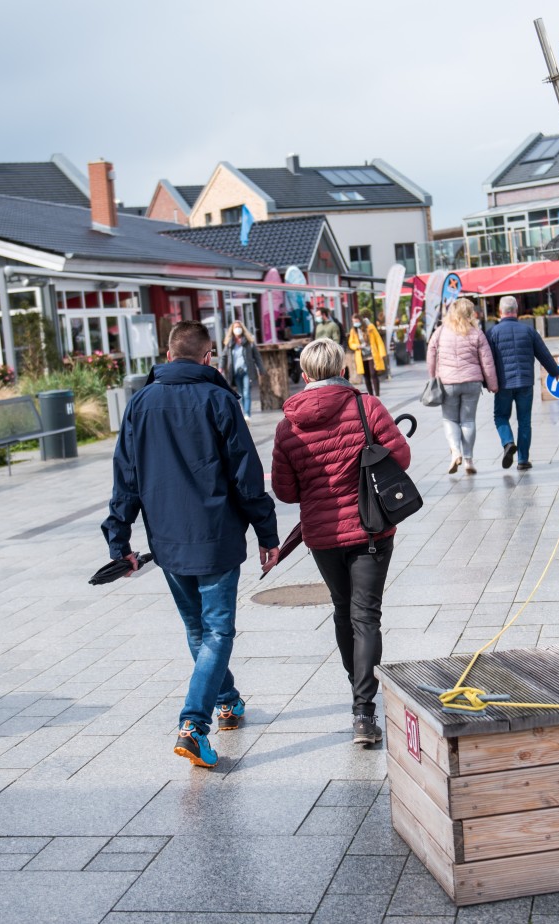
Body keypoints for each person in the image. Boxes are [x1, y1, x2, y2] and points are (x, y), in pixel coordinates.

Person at [103, 320, 279, 769]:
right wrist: (267, 533)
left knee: (199, 630)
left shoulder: (140, 402)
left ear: (167, 354)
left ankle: (228, 702)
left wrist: (118, 539)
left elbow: (126, 476)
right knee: (217, 630)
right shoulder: (219, 400)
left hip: (167, 541)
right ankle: (193, 726)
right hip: (216, 536)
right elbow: (246, 475)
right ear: (207, 358)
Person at [270, 339, 411, 746]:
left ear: (305, 375)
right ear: (343, 369)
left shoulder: (287, 425)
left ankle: (358, 688)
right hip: (370, 528)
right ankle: (363, 711)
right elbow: (400, 457)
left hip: (322, 535)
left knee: (342, 608)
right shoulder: (367, 408)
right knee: (366, 616)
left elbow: (285, 490)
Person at [486, 295, 559, 472]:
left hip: (504, 384)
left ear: (500, 312)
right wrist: (555, 372)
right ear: (516, 310)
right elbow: (543, 353)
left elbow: (487, 360)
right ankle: (523, 460)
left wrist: (487, 382)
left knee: (501, 416)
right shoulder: (528, 331)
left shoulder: (493, 333)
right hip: (525, 382)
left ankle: (508, 442)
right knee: (524, 421)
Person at [427, 298, 497, 475]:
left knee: (450, 419)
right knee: (468, 420)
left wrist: (432, 377)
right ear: (470, 313)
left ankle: (455, 451)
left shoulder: (441, 331)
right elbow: (487, 361)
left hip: (448, 382)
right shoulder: (476, 333)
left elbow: (431, 352)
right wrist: (492, 384)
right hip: (472, 382)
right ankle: (468, 460)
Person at [221, 321, 265, 418]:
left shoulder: (249, 342)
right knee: (240, 394)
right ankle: (244, 412)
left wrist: (261, 369)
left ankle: (247, 415)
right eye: (235, 327)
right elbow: (224, 356)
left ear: (242, 329)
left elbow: (257, 357)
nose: (237, 329)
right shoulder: (229, 343)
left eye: (239, 327)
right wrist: (221, 367)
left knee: (246, 392)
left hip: (247, 371)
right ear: (232, 330)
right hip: (235, 372)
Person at [348, 314, 387, 396]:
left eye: (356, 321)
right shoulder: (353, 330)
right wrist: (356, 346)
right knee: (366, 376)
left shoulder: (370, 327)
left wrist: (382, 353)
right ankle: (371, 395)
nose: (355, 323)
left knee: (373, 374)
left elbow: (378, 340)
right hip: (361, 355)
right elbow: (351, 343)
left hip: (372, 354)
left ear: (360, 320)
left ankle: (377, 394)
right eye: (353, 322)